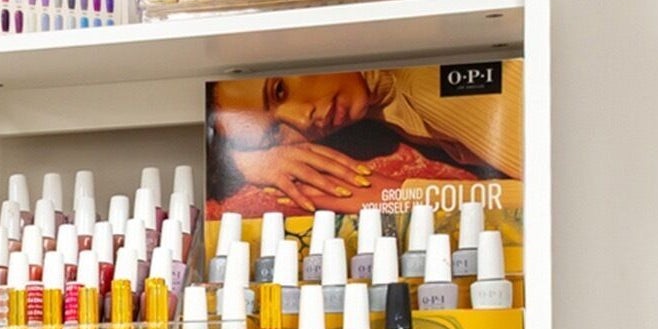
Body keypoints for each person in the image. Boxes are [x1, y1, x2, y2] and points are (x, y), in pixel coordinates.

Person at [207, 66, 523, 216]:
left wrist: (401, 197)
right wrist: (245, 161)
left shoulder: (430, 84)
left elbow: (558, 197)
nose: (302, 120)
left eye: (279, 89)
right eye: (276, 133)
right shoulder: (389, 98)